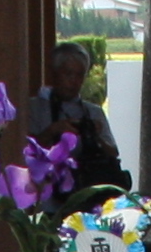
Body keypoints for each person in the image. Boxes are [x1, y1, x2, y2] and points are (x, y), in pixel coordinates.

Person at [22, 42, 131, 199]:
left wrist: (95, 135)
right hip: (45, 196)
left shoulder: (93, 112)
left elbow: (113, 153)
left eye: (80, 75)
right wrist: (54, 130)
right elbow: (23, 149)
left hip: (85, 195)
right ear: (54, 73)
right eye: (68, 74)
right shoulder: (34, 107)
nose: (74, 81)